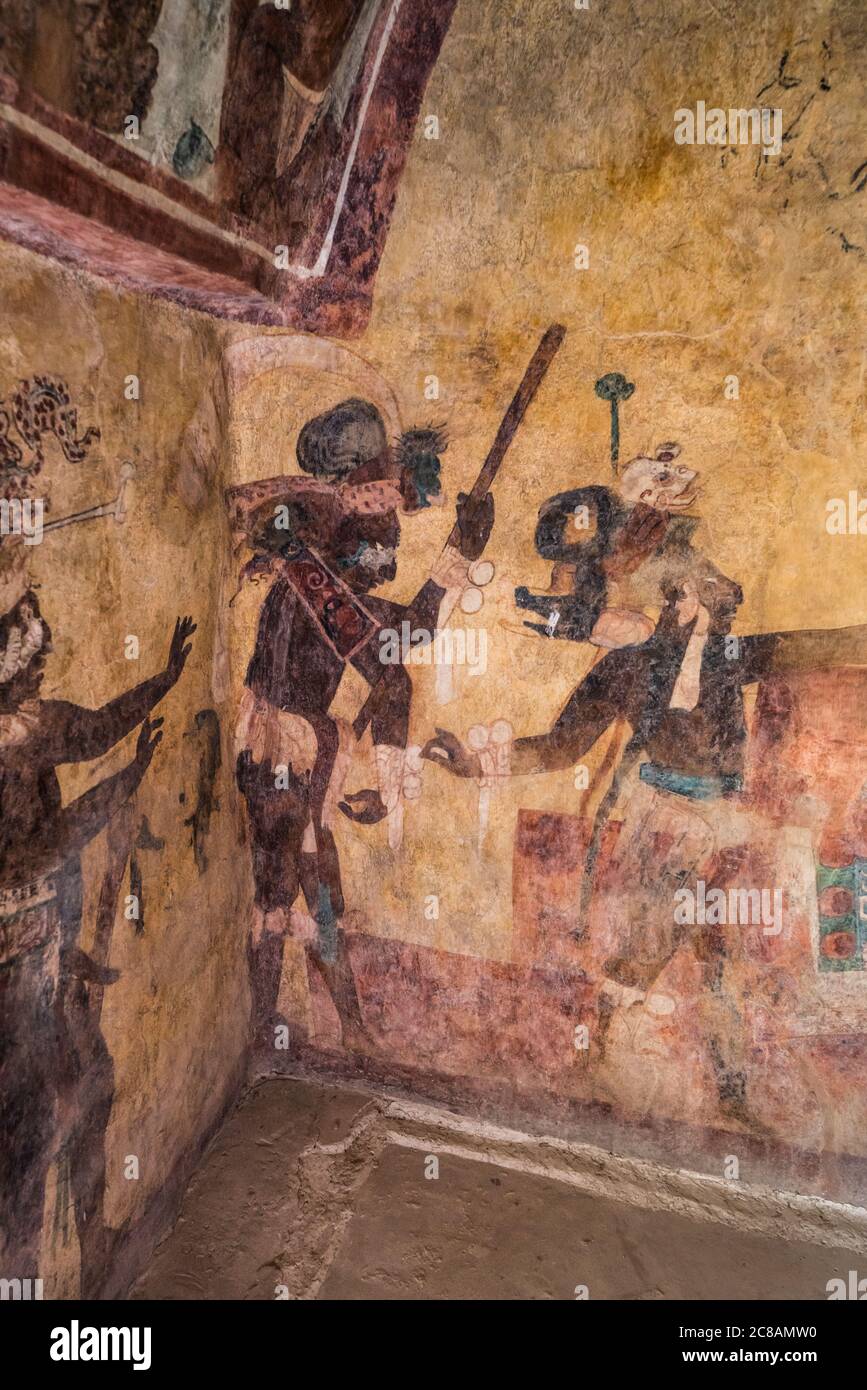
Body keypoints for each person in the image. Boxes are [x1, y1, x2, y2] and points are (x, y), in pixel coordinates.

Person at [423, 566, 867, 1130]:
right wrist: (473, 764)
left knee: (717, 959)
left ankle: (726, 1092)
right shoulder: (628, 666)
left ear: (710, 609)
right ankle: (598, 1059)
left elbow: (820, 645)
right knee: (649, 947)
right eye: (673, 595)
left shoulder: (731, 656)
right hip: (664, 822)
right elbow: (561, 746)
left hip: (723, 825)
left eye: (687, 598)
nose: (673, 607)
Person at [232, 398, 492, 1051]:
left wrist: (384, 776)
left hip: (307, 752)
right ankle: (285, 1029)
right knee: (290, 897)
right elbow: (406, 636)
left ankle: (340, 1027)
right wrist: (459, 552)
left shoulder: (330, 575)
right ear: (348, 507)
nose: (390, 539)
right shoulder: (310, 578)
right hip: (278, 755)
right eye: (382, 519)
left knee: (316, 901)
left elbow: (391, 675)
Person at [0, 594, 195, 1284]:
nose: (42, 667)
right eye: (30, 658)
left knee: (92, 1087)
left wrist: (164, 678)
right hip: (16, 967)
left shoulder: (30, 726)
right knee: (28, 1149)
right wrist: (116, 790)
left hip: (42, 952)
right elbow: (32, 857)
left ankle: (91, 1248)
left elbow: (97, 727)